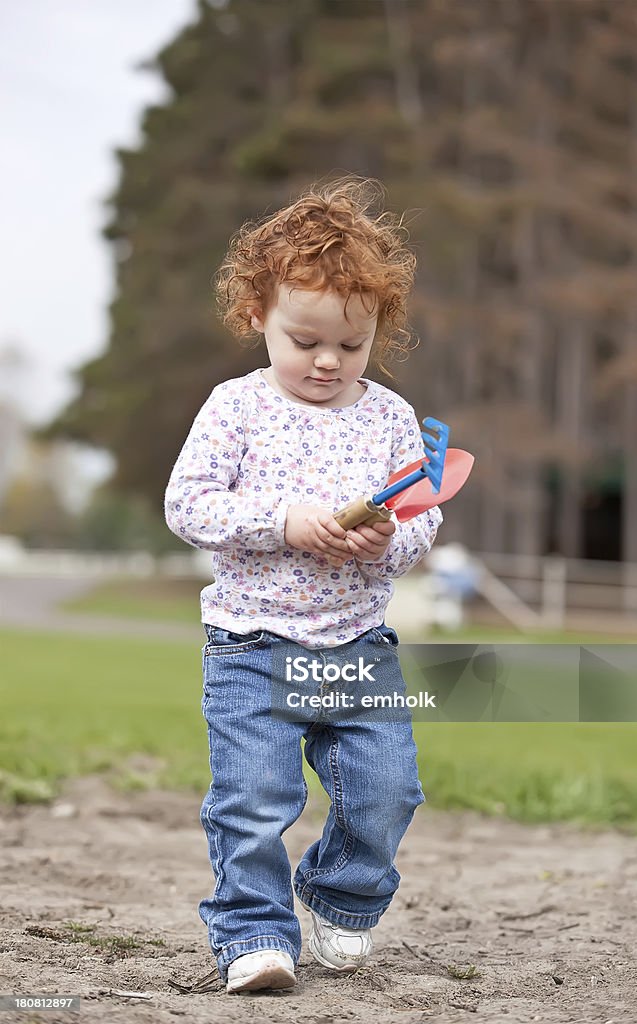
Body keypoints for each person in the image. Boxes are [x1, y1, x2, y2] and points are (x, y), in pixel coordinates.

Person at [164, 176, 442, 994]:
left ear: (374, 333)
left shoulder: (390, 419)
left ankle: (341, 896)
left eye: (349, 347)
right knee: (253, 801)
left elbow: (422, 520)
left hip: (357, 645)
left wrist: (385, 539)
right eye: (304, 339)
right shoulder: (233, 407)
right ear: (257, 316)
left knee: (388, 792)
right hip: (251, 645)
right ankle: (253, 934)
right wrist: (283, 521)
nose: (327, 362)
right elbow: (188, 504)